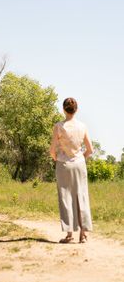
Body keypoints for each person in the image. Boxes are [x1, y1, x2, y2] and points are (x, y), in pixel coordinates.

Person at [50, 98, 93, 243]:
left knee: (66, 197)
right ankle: (84, 234)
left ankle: (69, 234)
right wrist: (81, 159)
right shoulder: (82, 126)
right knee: (81, 196)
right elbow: (90, 149)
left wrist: (58, 159)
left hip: (64, 164)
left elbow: (52, 151)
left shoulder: (59, 126)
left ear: (63, 109)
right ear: (76, 110)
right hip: (79, 164)